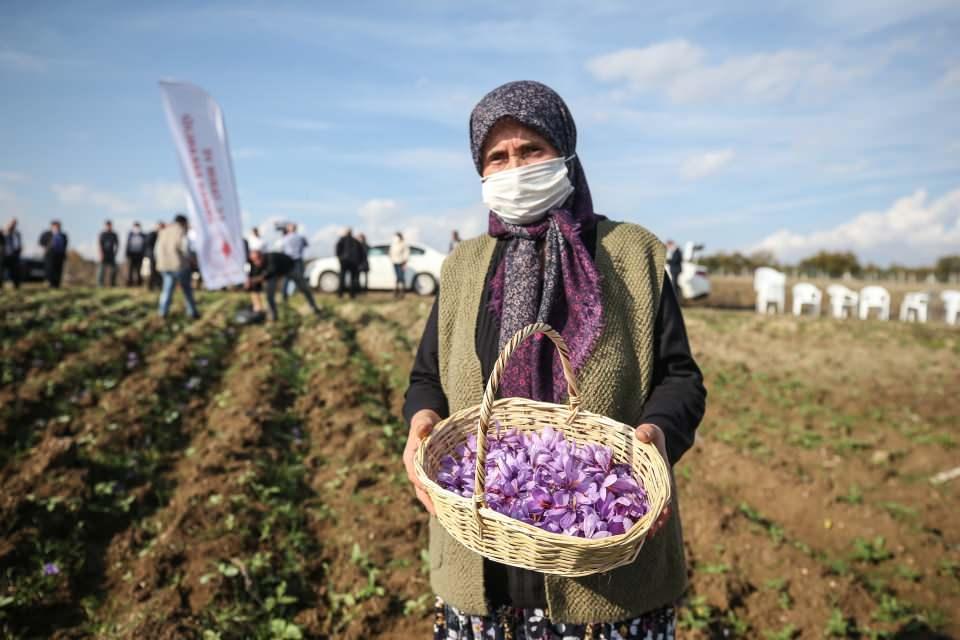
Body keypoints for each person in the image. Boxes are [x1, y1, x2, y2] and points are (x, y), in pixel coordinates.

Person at [401, 81, 706, 639]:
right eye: (498, 156)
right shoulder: (465, 266)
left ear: (565, 152)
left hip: (602, 566)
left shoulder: (631, 253)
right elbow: (427, 377)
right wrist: (421, 423)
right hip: (481, 559)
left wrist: (659, 433)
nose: (514, 167)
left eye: (531, 150)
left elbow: (680, 378)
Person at [247, 249, 321, 321]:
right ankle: (274, 316)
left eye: (258, 259)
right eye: (254, 260)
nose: (257, 262)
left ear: (262, 256)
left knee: (304, 287)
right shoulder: (255, 264)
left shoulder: (271, 258)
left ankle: (314, 307)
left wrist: (258, 279)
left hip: (289, 268)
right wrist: (251, 281)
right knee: (269, 294)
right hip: (274, 274)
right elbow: (254, 277)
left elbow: (270, 271)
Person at [155, 214, 200, 319]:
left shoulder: (163, 231)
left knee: (166, 289)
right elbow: (185, 249)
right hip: (179, 265)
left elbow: (156, 249)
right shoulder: (181, 231)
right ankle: (192, 311)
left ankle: (162, 312)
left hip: (164, 265)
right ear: (183, 222)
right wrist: (192, 260)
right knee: (187, 290)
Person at [281, 223, 309, 301]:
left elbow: (282, 249)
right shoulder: (301, 237)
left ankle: (284, 295)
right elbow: (306, 245)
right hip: (298, 259)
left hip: (288, 260)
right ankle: (297, 293)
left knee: (287, 278)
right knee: (299, 278)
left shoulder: (285, 238)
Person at [39, 220, 68, 288]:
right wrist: (46, 247)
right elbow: (41, 242)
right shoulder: (47, 234)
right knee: (50, 269)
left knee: (58, 270)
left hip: (60, 255)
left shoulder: (63, 235)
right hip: (50, 255)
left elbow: (65, 245)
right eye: (56, 226)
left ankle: (56, 285)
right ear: (52, 226)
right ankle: (49, 283)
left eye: (58, 226)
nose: (57, 227)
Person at [335, 228, 362, 299]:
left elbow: (337, 250)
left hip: (345, 262)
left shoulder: (342, 240)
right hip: (353, 263)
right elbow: (360, 252)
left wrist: (340, 258)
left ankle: (340, 294)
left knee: (342, 278)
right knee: (352, 279)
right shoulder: (355, 241)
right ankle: (352, 295)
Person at [96, 220, 119, 287]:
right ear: (105, 226)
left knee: (114, 269)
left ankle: (112, 284)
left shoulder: (114, 234)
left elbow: (117, 244)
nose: (109, 227)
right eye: (107, 225)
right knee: (101, 270)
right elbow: (99, 244)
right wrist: (101, 254)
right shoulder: (102, 234)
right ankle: (100, 284)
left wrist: (115, 252)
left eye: (110, 225)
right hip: (104, 254)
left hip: (111, 254)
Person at [1, 218, 22, 289]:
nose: (13, 225)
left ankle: (16, 286)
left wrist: (19, 250)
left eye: (14, 224)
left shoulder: (17, 234)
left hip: (14, 255)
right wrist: (4, 232)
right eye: (11, 223)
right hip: (3, 255)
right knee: (1, 271)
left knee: (15, 271)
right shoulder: (2, 232)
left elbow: (18, 244)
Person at [389, 231, 409, 298]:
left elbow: (406, 253)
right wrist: (391, 258)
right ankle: (396, 291)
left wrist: (404, 262)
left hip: (401, 262)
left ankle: (402, 292)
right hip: (395, 262)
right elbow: (391, 252)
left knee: (401, 277)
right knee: (397, 277)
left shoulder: (403, 244)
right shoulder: (393, 244)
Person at [126, 222, 147, 286]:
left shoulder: (143, 235)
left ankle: (139, 283)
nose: (136, 228)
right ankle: (130, 283)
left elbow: (145, 245)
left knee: (139, 269)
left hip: (140, 255)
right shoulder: (130, 234)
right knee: (130, 270)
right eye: (135, 227)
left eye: (137, 227)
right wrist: (127, 254)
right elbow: (127, 245)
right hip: (131, 255)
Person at [146, 221, 164, 290]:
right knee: (153, 271)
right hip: (153, 256)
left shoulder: (163, 234)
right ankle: (151, 286)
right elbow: (148, 244)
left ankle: (159, 285)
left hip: (160, 257)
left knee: (160, 272)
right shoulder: (152, 234)